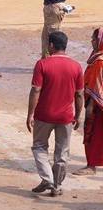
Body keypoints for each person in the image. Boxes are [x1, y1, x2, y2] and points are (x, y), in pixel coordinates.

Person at [28, 30, 85, 197]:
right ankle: (56, 185)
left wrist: (30, 114)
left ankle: (47, 179)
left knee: (39, 147)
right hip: (66, 116)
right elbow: (79, 94)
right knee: (62, 152)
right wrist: (77, 116)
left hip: (44, 115)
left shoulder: (42, 64)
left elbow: (36, 90)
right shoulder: (76, 66)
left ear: (51, 45)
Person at [78, 27, 103, 178]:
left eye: (94, 39)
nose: (92, 41)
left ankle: (91, 165)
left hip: (97, 106)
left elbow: (96, 86)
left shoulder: (99, 62)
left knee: (92, 134)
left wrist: (90, 107)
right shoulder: (96, 57)